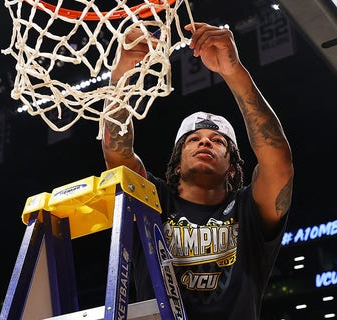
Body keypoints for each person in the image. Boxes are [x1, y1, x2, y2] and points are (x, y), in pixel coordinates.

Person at [101, 22, 294, 319]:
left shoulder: (248, 209)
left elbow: (278, 163)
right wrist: (122, 73)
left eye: (218, 141)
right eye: (194, 139)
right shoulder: (153, 200)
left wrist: (234, 72)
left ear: (232, 167)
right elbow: (117, 153)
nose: (205, 141)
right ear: (177, 162)